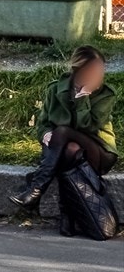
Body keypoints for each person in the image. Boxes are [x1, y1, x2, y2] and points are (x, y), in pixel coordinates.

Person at [11, 45, 116, 209]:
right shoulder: (55, 90)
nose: (99, 77)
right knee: (70, 150)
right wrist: (45, 133)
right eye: (94, 72)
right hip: (68, 149)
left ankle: (36, 187)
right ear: (79, 70)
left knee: (62, 132)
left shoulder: (105, 95)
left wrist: (82, 99)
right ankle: (67, 215)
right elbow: (43, 123)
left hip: (98, 151)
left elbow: (88, 127)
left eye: (101, 72)